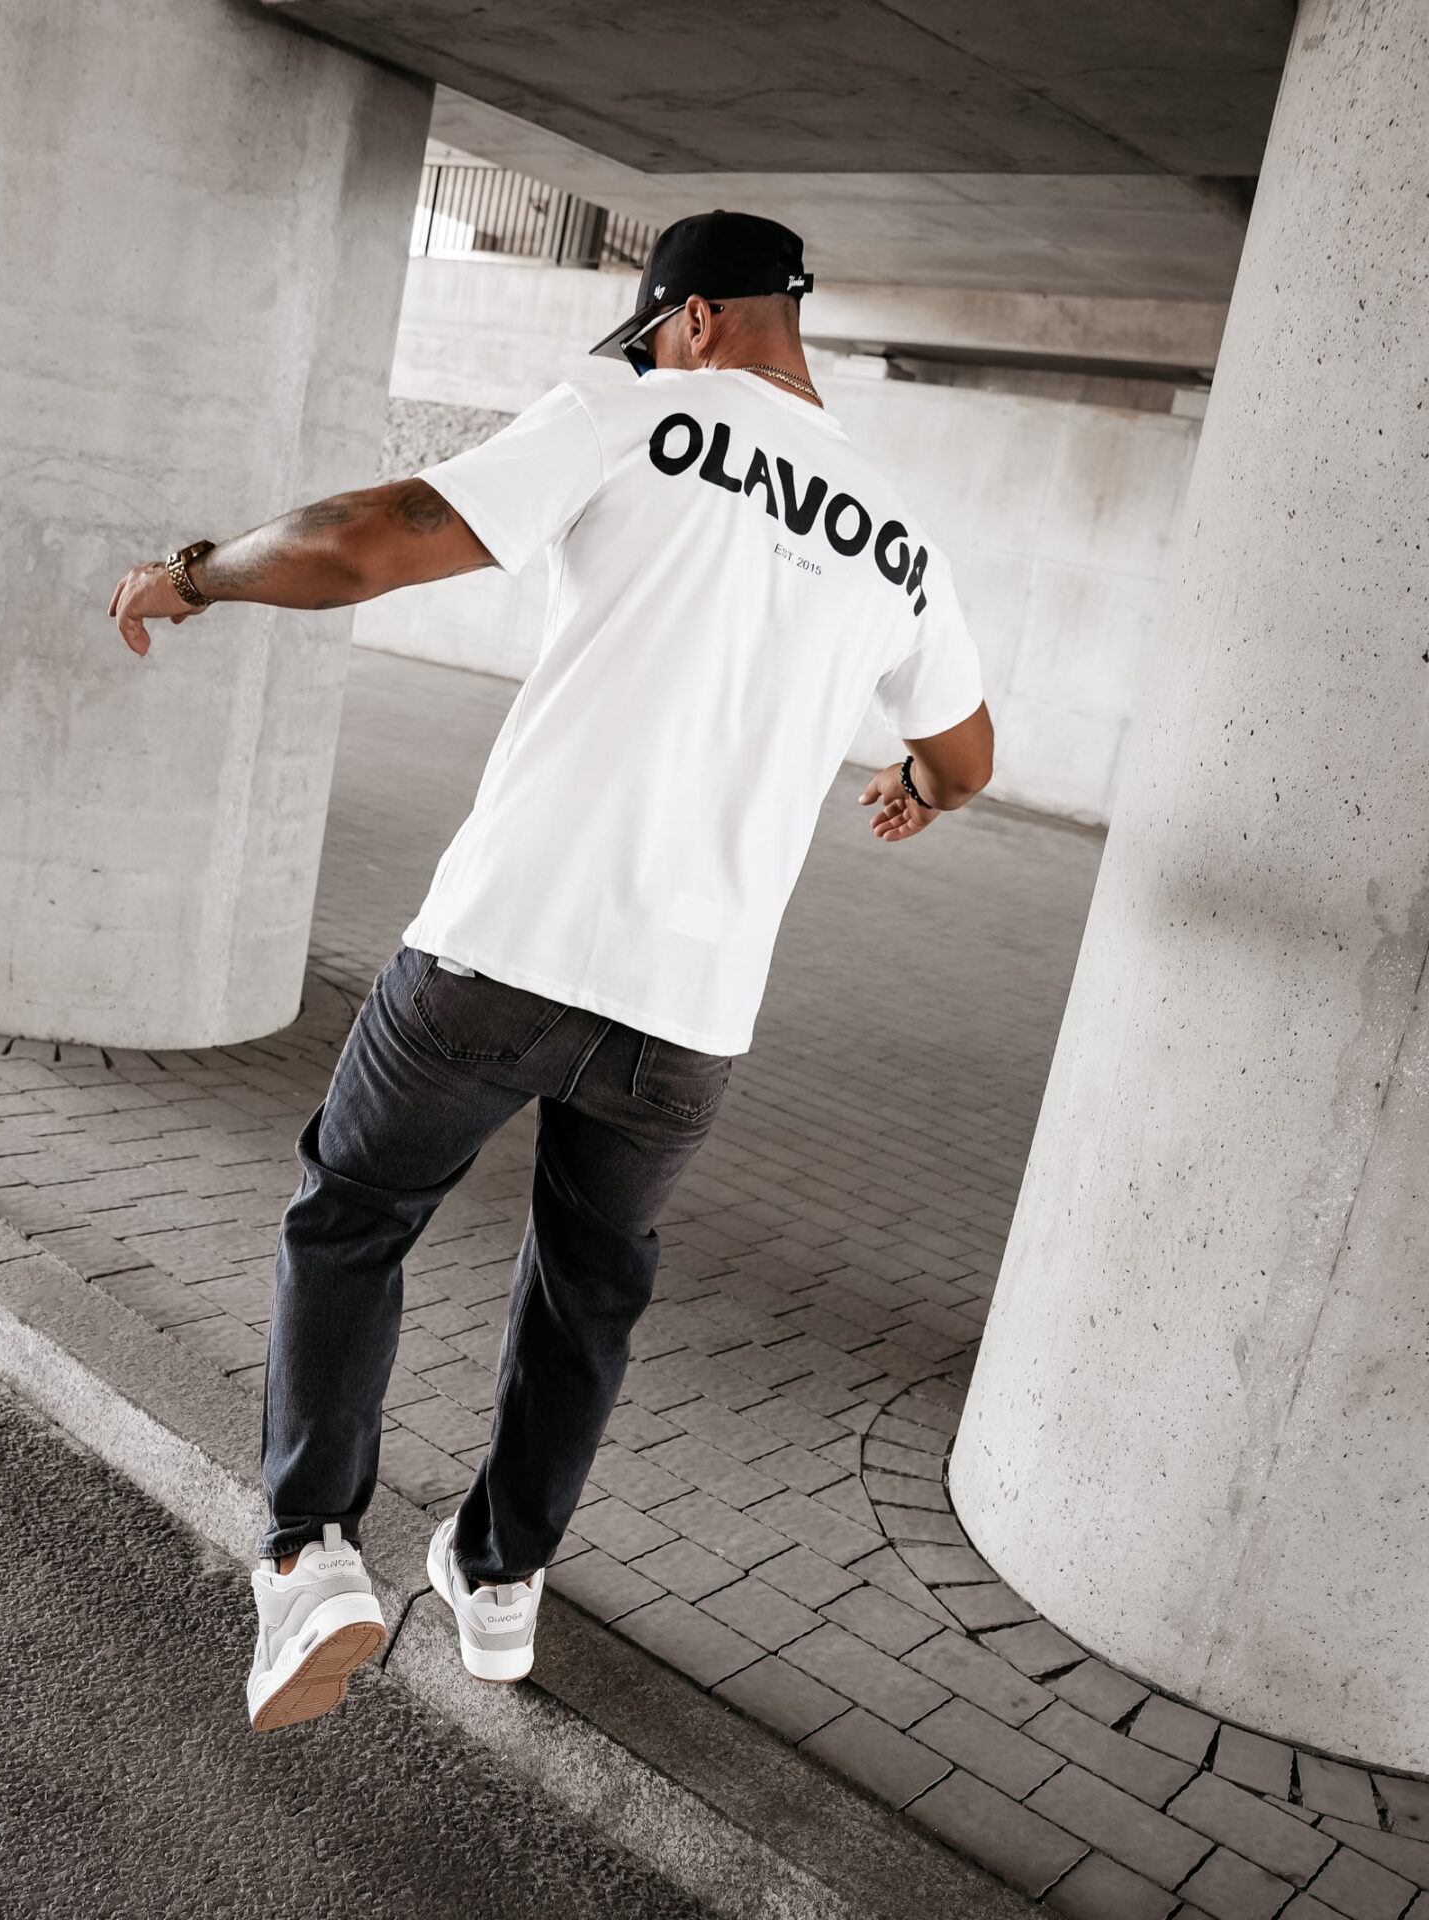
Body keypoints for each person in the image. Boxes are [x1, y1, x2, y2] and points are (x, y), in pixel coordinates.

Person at [109, 210, 993, 1732]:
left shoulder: (633, 411)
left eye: (651, 332)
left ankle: (313, 1556)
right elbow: (968, 755)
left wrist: (195, 574)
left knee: (353, 1216)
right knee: (590, 1289)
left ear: (694, 319)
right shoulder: (901, 535)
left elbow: (372, 536)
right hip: (689, 1013)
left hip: (505, 945)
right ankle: (500, 1574)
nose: (647, 353)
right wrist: (916, 784)